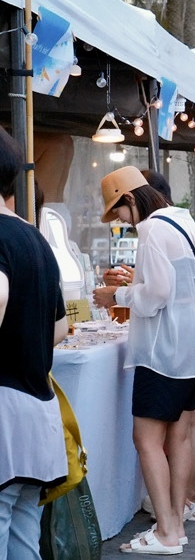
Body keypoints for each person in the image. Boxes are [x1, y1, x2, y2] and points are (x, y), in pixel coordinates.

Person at [92, 166, 195, 555]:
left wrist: (117, 296)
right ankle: (174, 522)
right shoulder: (182, 220)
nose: (122, 221)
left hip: (167, 348)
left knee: (146, 439)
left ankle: (167, 531)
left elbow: (157, 293)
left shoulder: (151, 229)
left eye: (119, 211)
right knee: (180, 434)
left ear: (130, 198)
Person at [0, 128, 68, 560]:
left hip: (5, 413)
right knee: (25, 538)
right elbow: (60, 329)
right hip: (37, 411)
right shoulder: (34, 238)